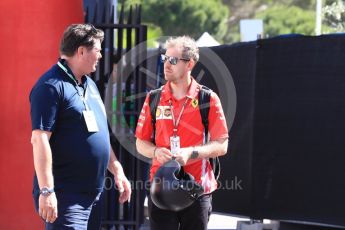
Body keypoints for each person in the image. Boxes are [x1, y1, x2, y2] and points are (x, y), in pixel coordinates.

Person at [30, 24, 131, 229]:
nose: (101, 55)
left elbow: (98, 135)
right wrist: (47, 191)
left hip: (93, 195)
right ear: (81, 51)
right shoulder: (50, 86)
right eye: (98, 50)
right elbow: (39, 140)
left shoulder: (89, 84)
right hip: (66, 196)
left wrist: (117, 169)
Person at [135, 36, 229, 230]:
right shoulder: (154, 98)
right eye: (165, 58)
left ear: (190, 64)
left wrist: (191, 153)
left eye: (174, 60)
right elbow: (140, 142)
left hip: (197, 190)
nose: (167, 65)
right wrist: (155, 152)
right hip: (161, 188)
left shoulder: (207, 98)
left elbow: (222, 145)